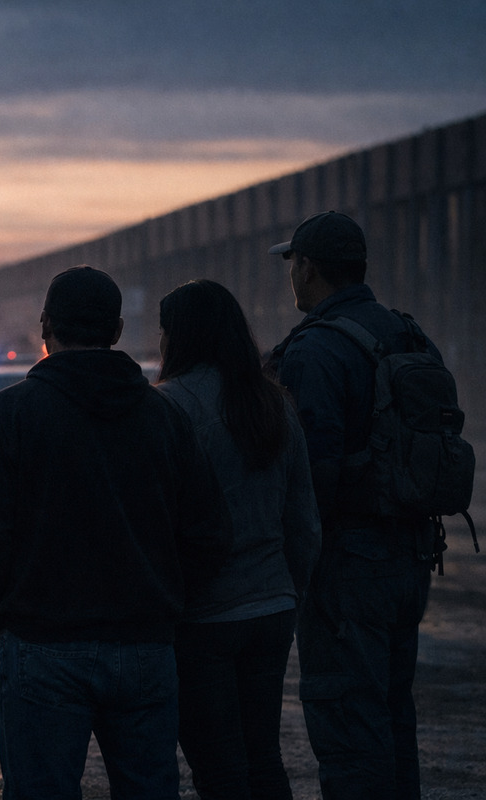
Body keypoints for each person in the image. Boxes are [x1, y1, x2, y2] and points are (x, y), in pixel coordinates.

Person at [0, 266, 233, 800]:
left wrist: (3, 611)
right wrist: (165, 601)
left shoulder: (11, 414)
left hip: (43, 643)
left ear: (45, 327)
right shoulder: (163, 416)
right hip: (145, 644)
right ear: (119, 330)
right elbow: (208, 533)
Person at [265, 211, 448, 798]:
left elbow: (309, 478)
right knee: (393, 715)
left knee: (347, 721)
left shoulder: (316, 350)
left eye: (292, 264)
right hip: (410, 555)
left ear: (309, 268)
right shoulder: (408, 334)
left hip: (348, 567)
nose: (290, 277)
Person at [157, 279, 321, 799]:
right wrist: (289, 593)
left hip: (203, 617)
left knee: (218, 768)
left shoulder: (170, 407)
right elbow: (304, 523)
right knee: (263, 757)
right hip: (271, 608)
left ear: (179, 336)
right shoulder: (275, 404)